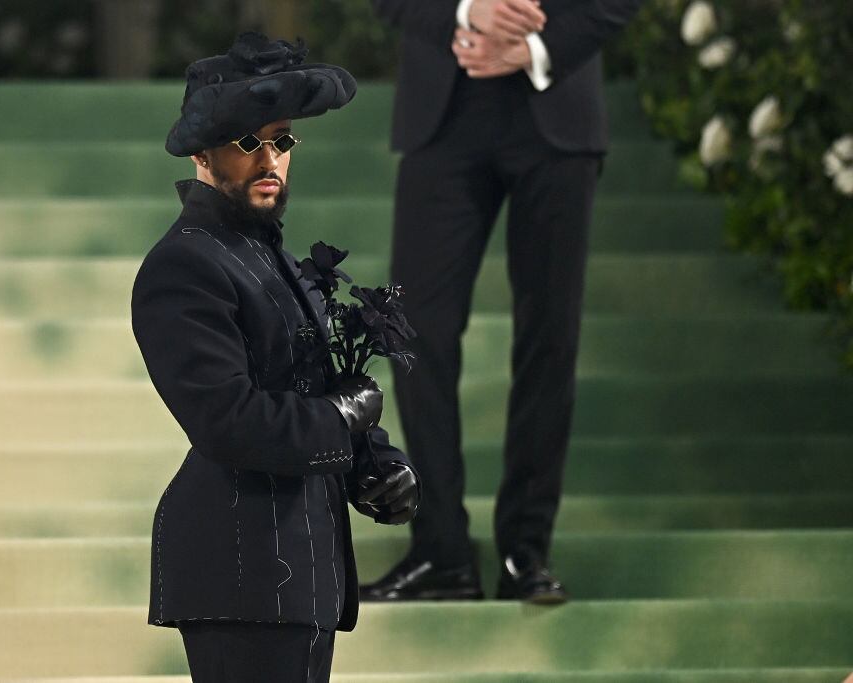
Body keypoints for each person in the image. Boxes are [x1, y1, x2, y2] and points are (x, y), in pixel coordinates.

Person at [131, 33, 420, 683]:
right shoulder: (183, 264)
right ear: (204, 154)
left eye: (282, 141)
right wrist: (343, 419)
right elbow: (228, 420)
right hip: (241, 567)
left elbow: (313, 390)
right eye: (249, 143)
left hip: (291, 571)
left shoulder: (267, 256)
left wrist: (375, 463)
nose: (271, 159)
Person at [361, 0, 641, 604]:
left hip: (556, 108)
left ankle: (525, 551)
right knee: (413, 330)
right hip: (443, 114)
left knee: (549, 337)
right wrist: (467, 11)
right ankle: (440, 552)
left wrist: (537, 48)